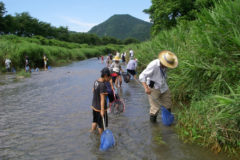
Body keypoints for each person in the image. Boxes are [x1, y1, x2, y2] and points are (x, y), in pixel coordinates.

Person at [139, 50, 178, 123]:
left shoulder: (165, 66)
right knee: (155, 109)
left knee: (168, 105)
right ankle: (154, 128)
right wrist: (146, 88)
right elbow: (141, 76)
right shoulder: (153, 65)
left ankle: (167, 122)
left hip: (163, 87)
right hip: (153, 88)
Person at [91, 67, 112, 135]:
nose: (109, 79)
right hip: (100, 109)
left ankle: (92, 132)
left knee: (95, 121)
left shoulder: (96, 81)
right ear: (106, 75)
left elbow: (93, 90)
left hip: (94, 106)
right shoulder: (103, 85)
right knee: (101, 126)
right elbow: (102, 99)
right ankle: (102, 139)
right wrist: (102, 110)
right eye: (109, 77)